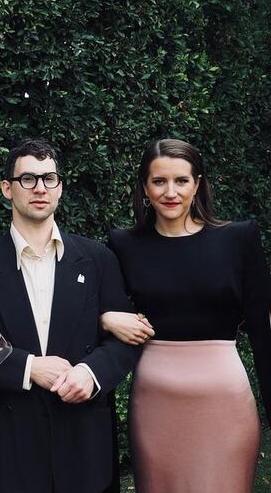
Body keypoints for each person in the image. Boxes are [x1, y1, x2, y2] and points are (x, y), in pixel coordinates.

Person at [0, 138, 140, 493]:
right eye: (27, 179)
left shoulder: (97, 260)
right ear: (7, 189)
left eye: (49, 179)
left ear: (60, 187)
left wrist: (91, 373)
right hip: (8, 443)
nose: (40, 188)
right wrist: (28, 368)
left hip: (83, 439)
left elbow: (125, 340)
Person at [102, 138, 271, 493]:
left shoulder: (238, 239)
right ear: (145, 188)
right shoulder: (123, 245)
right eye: (159, 181)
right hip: (154, 404)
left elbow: (263, 332)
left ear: (197, 184)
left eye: (181, 181)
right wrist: (106, 319)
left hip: (224, 401)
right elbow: (95, 306)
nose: (170, 192)